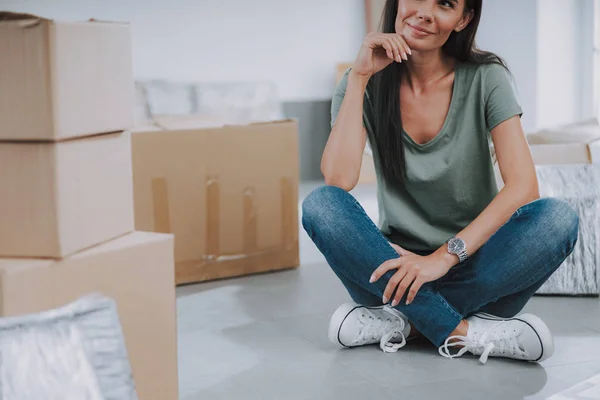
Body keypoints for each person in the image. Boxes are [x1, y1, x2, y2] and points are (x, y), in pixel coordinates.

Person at [301, 0, 579, 364]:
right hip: (392, 270)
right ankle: (463, 332)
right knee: (321, 204)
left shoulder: (486, 76)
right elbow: (339, 178)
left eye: (445, 3)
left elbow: (524, 187)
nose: (424, 11)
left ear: (463, 19)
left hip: (476, 263)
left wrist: (442, 259)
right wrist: (359, 78)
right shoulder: (361, 80)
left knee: (558, 218)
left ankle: (404, 322)